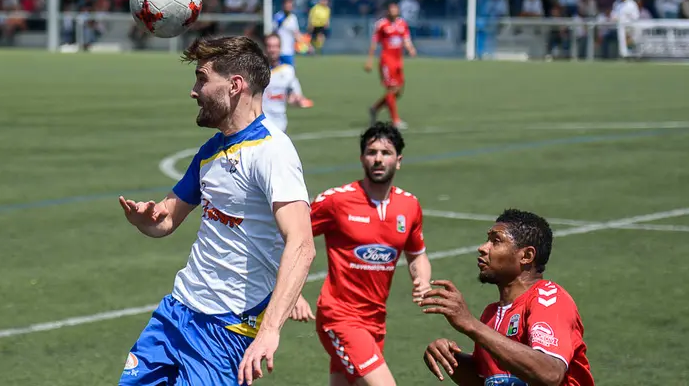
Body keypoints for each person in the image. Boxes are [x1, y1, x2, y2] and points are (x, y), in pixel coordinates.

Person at [117, 36, 316, 386]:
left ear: (235, 85)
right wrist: (147, 220)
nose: (194, 90)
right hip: (177, 311)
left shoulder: (273, 152)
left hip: (226, 330)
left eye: (202, 78)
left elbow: (302, 244)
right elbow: (166, 219)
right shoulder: (211, 151)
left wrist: (270, 330)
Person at [291, 122, 432, 386]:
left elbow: (417, 255)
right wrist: (293, 293)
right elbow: (291, 238)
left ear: (398, 160)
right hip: (340, 316)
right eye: (372, 152)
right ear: (362, 158)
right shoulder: (335, 201)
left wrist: (422, 280)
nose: (378, 158)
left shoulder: (409, 206)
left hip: (376, 320)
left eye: (386, 152)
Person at [420, 209, 594, 386]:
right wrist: (451, 359)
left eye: (496, 241)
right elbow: (487, 381)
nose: (483, 248)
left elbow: (550, 373)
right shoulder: (492, 313)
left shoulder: (549, 299)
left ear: (526, 256)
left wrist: (471, 325)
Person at [365, 3, 417, 130]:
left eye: (395, 9)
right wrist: (370, 60)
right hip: (387, 61)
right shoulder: (382, 24)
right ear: (388, 11)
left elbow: (406, 38)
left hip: (398, 61)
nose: (394, 11)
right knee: (391, 88)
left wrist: (411, 49)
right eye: (391, 9)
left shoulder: (402, 23)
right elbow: (374, 42)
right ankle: (395, 120)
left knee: (398, 92)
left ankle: (375, 108)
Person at [262, 33, 313, 133]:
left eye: (276, 46)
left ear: (280, 49)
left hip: (280, 126)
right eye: (269, 46)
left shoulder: (288, 71)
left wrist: (298, 101)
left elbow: (293, 98)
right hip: (260, 127)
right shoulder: (256, 71)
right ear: (264, 48)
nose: (272, 50)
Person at [273, 0, 304, 67]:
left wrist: (305, 44)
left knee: (290, 73)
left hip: (289, 51)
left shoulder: (293, 18)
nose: (289, 6)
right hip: (278, 51)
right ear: (283, 5)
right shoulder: (278, 17)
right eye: (287, 4)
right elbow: (273, 32)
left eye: (290, 4)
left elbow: (296, 33)